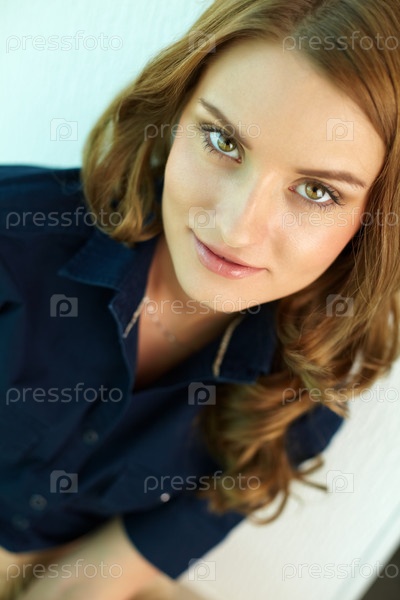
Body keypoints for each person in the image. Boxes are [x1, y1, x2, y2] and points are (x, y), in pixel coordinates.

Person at [1, 0, 399, 598]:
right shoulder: (13, 239)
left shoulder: (306, 386)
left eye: (317, 191)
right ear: (173, 114)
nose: (236, 228)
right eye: (221, 140)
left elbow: (97, 578)